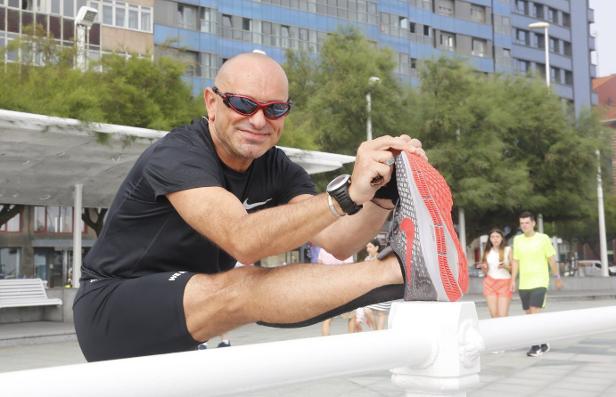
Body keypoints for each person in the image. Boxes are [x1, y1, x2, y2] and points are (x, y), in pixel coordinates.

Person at [72, 52, 428, 361]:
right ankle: (402, 272)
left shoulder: (275, 166)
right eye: (243, 104)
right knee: (241, 285)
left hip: (186, 310)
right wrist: (347, 193)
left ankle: (406, 273)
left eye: (274, 109)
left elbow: (339, 240)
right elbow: (243, 240)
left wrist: (381, 194)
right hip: (110, 306)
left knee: (233, 289)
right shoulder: (178, 154)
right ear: (211, 103)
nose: (259, 120)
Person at [511, 211, 563, 357]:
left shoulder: (543, 238)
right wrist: (512, 280)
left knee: (534, 312)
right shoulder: (517, 240)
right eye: (522, 223)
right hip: (524, 283)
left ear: (533, 223)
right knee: (529, 315)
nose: (524, 226)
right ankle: (543, 341)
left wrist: (557, 277)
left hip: (540, 281)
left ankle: (535, 346)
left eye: (527, 223)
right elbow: (516, 261)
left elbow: (551, 259)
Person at [316, 248, 359, 336]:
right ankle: (351, 341)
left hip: (328, 287)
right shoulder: (345, 248)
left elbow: (319, 267)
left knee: (327, 318)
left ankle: (325, 342)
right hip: (343, 287)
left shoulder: (323, 249)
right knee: (351, 316)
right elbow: (348, 269)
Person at [481, 228, 512, 318]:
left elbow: (513, 269)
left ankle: (505, 332)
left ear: (502, 238)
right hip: (490, 283)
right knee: (494, 315)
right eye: (492, 237)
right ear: (490, 239)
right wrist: (484, 268)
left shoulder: (508, 250)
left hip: (505, 283)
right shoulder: (487, 252)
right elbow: (485, 272)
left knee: (502, 315)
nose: (495, 239)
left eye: (497, 237)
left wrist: (505, 266)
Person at [364, 239, 393, 330]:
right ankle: (375, 329)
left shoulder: (382, 257)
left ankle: (378, 332)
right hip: (372, 289)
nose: (368, 249)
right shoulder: (367, 259)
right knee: (367, 310)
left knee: (381, 312)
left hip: (382, 288)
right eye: (367, 247)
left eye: (370, 247)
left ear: (376, 248)